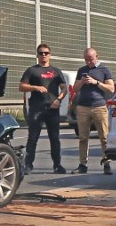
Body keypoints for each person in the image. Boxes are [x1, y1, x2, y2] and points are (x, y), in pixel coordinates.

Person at [19, 44, 68, 175]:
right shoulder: (32, 70)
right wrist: (35, 87)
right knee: (33, 138)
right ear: (37, 55)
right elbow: (22, 86)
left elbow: (64, 88)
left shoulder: (56, 71)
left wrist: (59, 100)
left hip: (52, 109)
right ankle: (28, 165)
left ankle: (57, 165)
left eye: (46, 53)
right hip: (37, 108)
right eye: (41, 53)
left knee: (55, 138)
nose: (43, 55)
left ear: (50, 55)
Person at [72, 47, 115, 175]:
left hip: (99, 107)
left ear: (97, 56)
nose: (88, 62)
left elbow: (111, 89)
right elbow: (75, 89)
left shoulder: (104, 70)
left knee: (104, 137)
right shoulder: (82, 70)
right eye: (86, 59)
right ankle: (82, 164)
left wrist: (96, 82)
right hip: (83, 107)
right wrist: (82, 82)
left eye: (90, 59)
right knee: (83, 137)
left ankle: (107, 163)